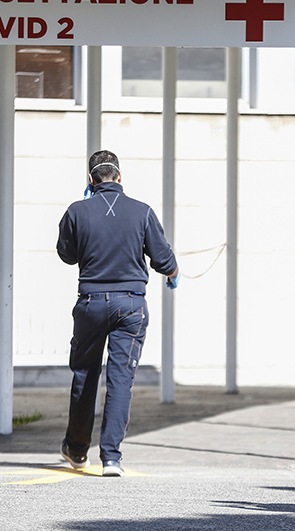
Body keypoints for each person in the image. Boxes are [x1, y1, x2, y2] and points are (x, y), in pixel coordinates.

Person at [57, 150, 179, 477]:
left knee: (85, 374)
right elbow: (163, 260)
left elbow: (66, 255)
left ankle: (77, 450)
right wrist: (173, 272)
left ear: (91, 179)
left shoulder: (76, 211)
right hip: (131, 305)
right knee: (121, 379)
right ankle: (111, 457)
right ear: (120, 177)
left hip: (92, 303)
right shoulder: (142, 212)